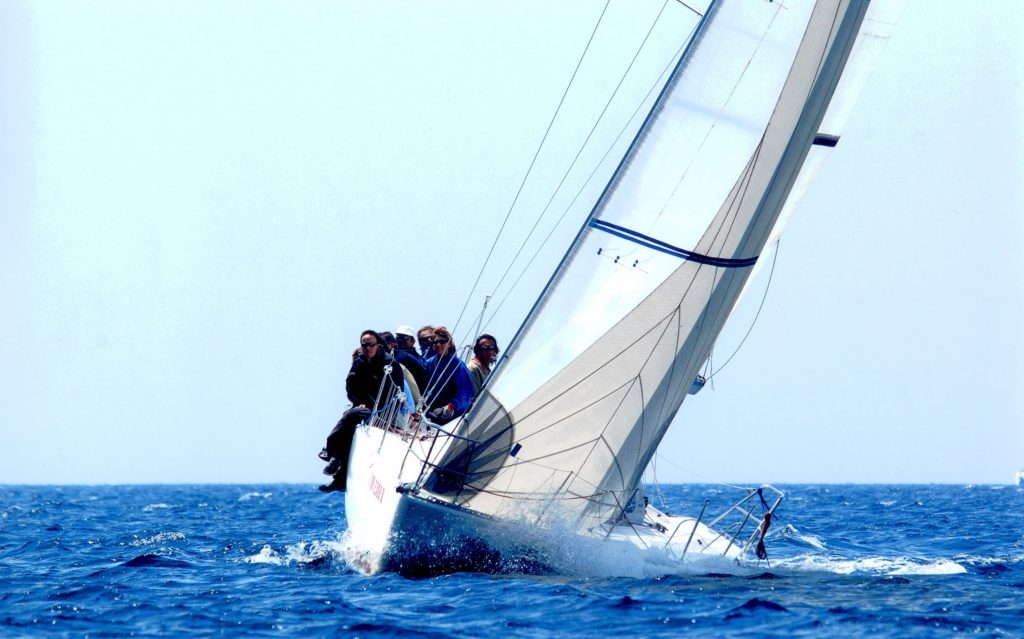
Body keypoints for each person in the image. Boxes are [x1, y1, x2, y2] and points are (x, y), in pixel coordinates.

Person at [318, 330, 405, 492]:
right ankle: (339, 471)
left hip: (384, 410)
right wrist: (359, 402)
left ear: (378, 345)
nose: (367, 348)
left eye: (371, 344)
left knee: (349, 417)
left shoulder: (390, 363)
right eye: (364, 345)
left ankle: (332, 456)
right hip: (363, 406)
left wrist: (385, 414)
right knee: (350, 422)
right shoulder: (359, 362)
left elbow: (397, 392)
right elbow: (350, 385)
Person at [422, 326, 474, 425]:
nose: (438, 344)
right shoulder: (428, 363)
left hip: (452, 418)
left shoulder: (458, 366)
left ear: (449, 344)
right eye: (435, 342)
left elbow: (465, 392)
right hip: (429, 415)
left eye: (442, 341)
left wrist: (451, 406)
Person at [392, 325, 428, 392]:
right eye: (398, 338)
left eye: (404, 338)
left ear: (413, 341)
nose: (400, 341)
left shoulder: (419, 360)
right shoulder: (393, 355)